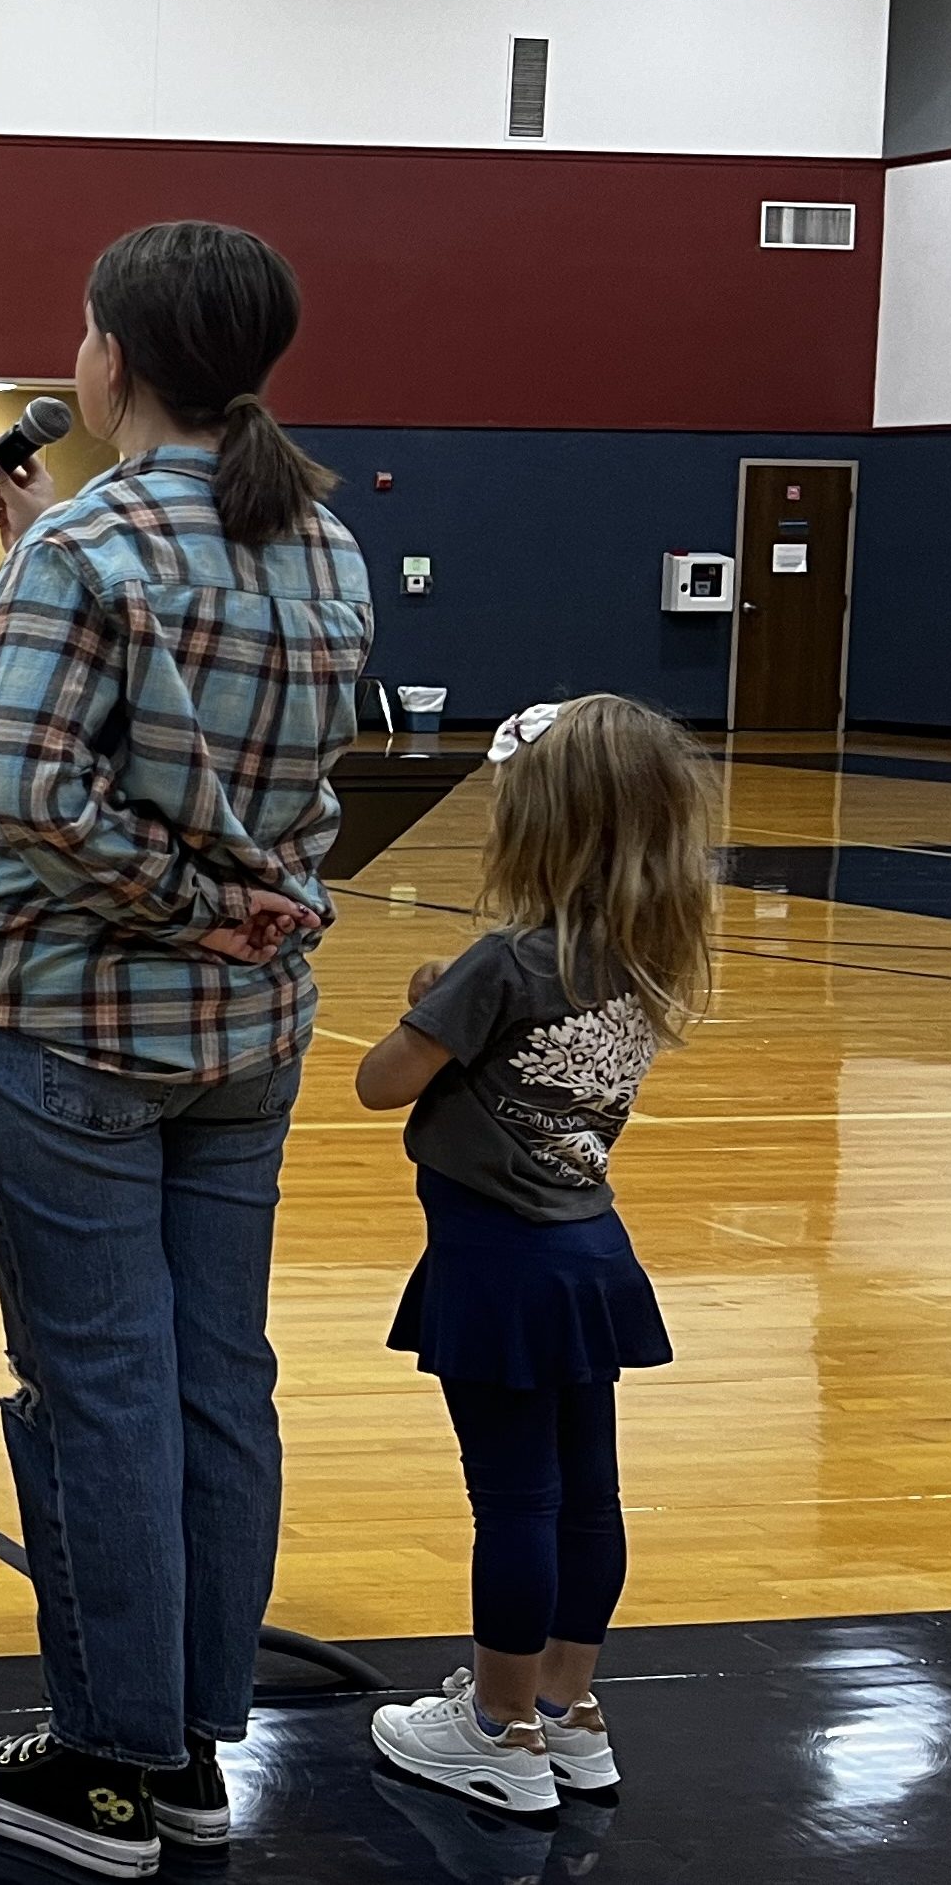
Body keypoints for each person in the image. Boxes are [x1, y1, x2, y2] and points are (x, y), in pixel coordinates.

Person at [0, 220, 372, 1879]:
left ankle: (103, 1762)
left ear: (117, 358)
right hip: (250, 1039)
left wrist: (179, 902)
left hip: (76, 1032)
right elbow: (292, 786)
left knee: (99, 1384)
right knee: (213, 1376)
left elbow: (34, 796)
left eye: (85, 334)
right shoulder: (322, 544)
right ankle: (183, 1747)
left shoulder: (88, 551)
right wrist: (244, 909)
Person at [353, 696, 708, 1813]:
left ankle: (497, 1730)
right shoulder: (645, 956)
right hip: (590, 1251)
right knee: (587, 1496)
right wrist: (447, 1008)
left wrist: (430, 1007)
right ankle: (570, 1706)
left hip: (496, 1264)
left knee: (511, 1501)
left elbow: (380, 1083)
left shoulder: (505, 960)